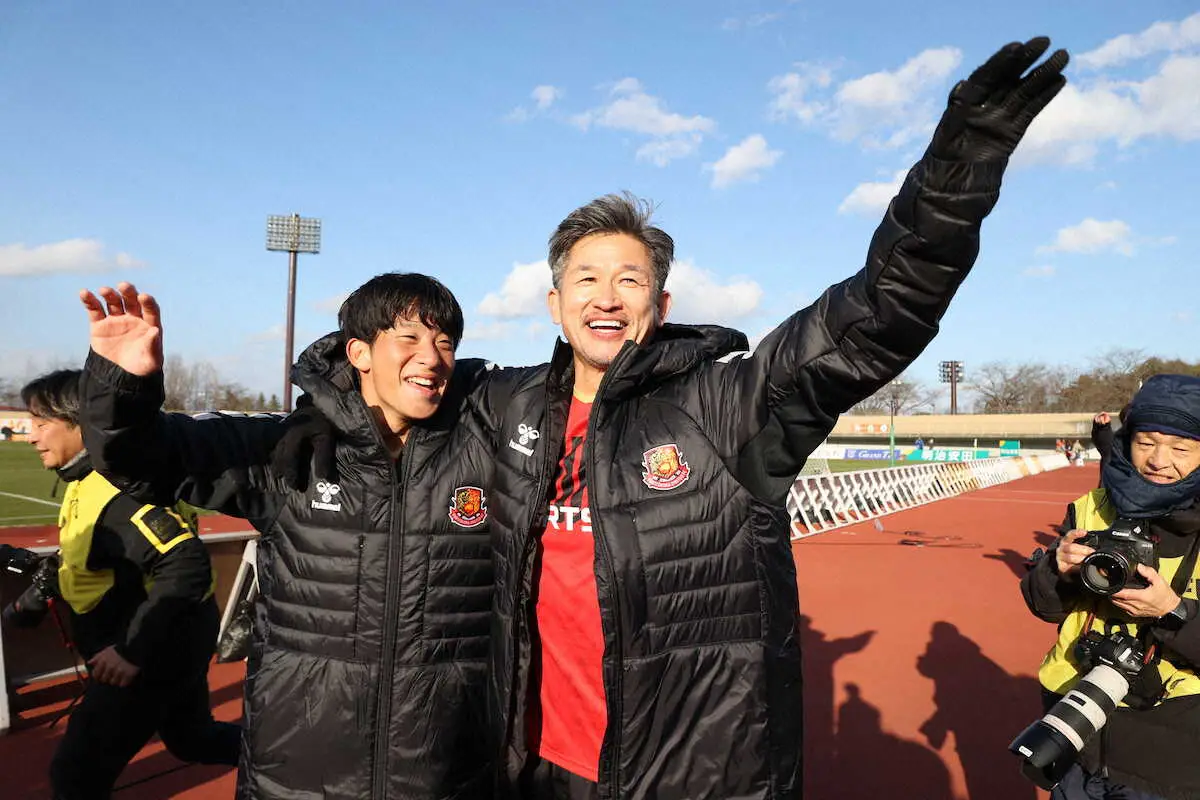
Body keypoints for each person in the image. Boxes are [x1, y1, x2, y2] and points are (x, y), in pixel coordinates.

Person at [456, 36, 1068, 799]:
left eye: (628, 280)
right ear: (555, 302)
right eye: (586, 279)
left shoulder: (723, 405)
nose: (606, 298)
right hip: (533, 769)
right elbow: (390, 387)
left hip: (678, 779)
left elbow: (871, 319)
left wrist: (953, 178)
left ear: (661, 304)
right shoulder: (503, 405)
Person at [76, 274, 496, 799]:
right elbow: (140, 460)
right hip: (299, 774)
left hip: (442, 778)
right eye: (409, 337)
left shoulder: (488, 452)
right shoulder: (290, 450)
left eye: (445, 342)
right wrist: (123, 387)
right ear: (360, 353)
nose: (431, 357)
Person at [20, 369, 240, 798]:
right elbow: (99, 555)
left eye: (42, 423)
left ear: (81, 423)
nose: (31, 436)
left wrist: (130, 651)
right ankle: (293, 766)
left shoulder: (117, 492)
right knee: (192, 738)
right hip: (173, 639)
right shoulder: (87, 478)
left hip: (147, 654)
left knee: (74, 776)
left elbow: (186, 564)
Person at [1020, 375, 1200, 800]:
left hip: (1169, 755)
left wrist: (1172, 612)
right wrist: (1056, 570)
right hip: (1076, 727)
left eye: (1180, 449)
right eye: (1146, 442)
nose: (1159, 460)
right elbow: (1044, 606)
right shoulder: (1092, 506)